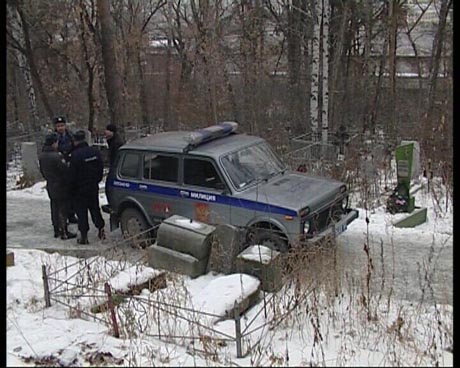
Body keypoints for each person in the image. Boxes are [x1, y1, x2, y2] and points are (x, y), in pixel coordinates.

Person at [69, 130, 106, 244]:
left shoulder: (75, 155)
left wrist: (71, 188)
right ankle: (101, 228)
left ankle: (84, 236)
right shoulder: (95, 151)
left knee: (81, 212)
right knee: (95, 208)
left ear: (75, 141)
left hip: (79, 189)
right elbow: (101, 167)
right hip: (93, 186)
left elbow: (72, 174)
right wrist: (96, 180)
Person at [38, 133, 77, 240]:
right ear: (54, 143)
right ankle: (63, 231)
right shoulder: (57, 156)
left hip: (50, 184)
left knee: (54, 207)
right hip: (61, 185)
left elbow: (42, 171)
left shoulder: (42, 156)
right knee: (62, 208)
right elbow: (64, 170)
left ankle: (56, 229)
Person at [53, 115, 78, 224]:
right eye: (58, 126)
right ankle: (62, 218)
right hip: (59, 168)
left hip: (70, 165)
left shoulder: (70, 135)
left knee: (71, 193)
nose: (60, 128)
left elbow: (75, 147)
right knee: (62, 196)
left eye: (62, 125)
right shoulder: (53, 138)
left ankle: (71, 214)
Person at [104, 124, 125, 207]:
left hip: (115, 168)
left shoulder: (116, 143)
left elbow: (115, 157)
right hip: (114, 167)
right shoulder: (112, 140)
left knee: (109, 187)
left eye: (107, 130)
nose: (105, 132)